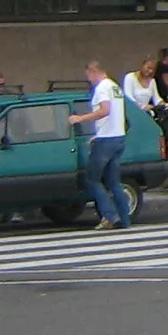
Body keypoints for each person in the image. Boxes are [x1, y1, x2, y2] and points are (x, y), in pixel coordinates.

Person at [67, 60, 133, 230]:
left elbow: (105, 110)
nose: (89, 80)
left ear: (92, 71)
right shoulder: (114, 86)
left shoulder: (102, 87)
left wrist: (80, 118)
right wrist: (98, 134)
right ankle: (125, 219)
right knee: (113, 181)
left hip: (106, 141)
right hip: (118, 137)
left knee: (93, 179)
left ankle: (109, 215)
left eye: (88, 75)